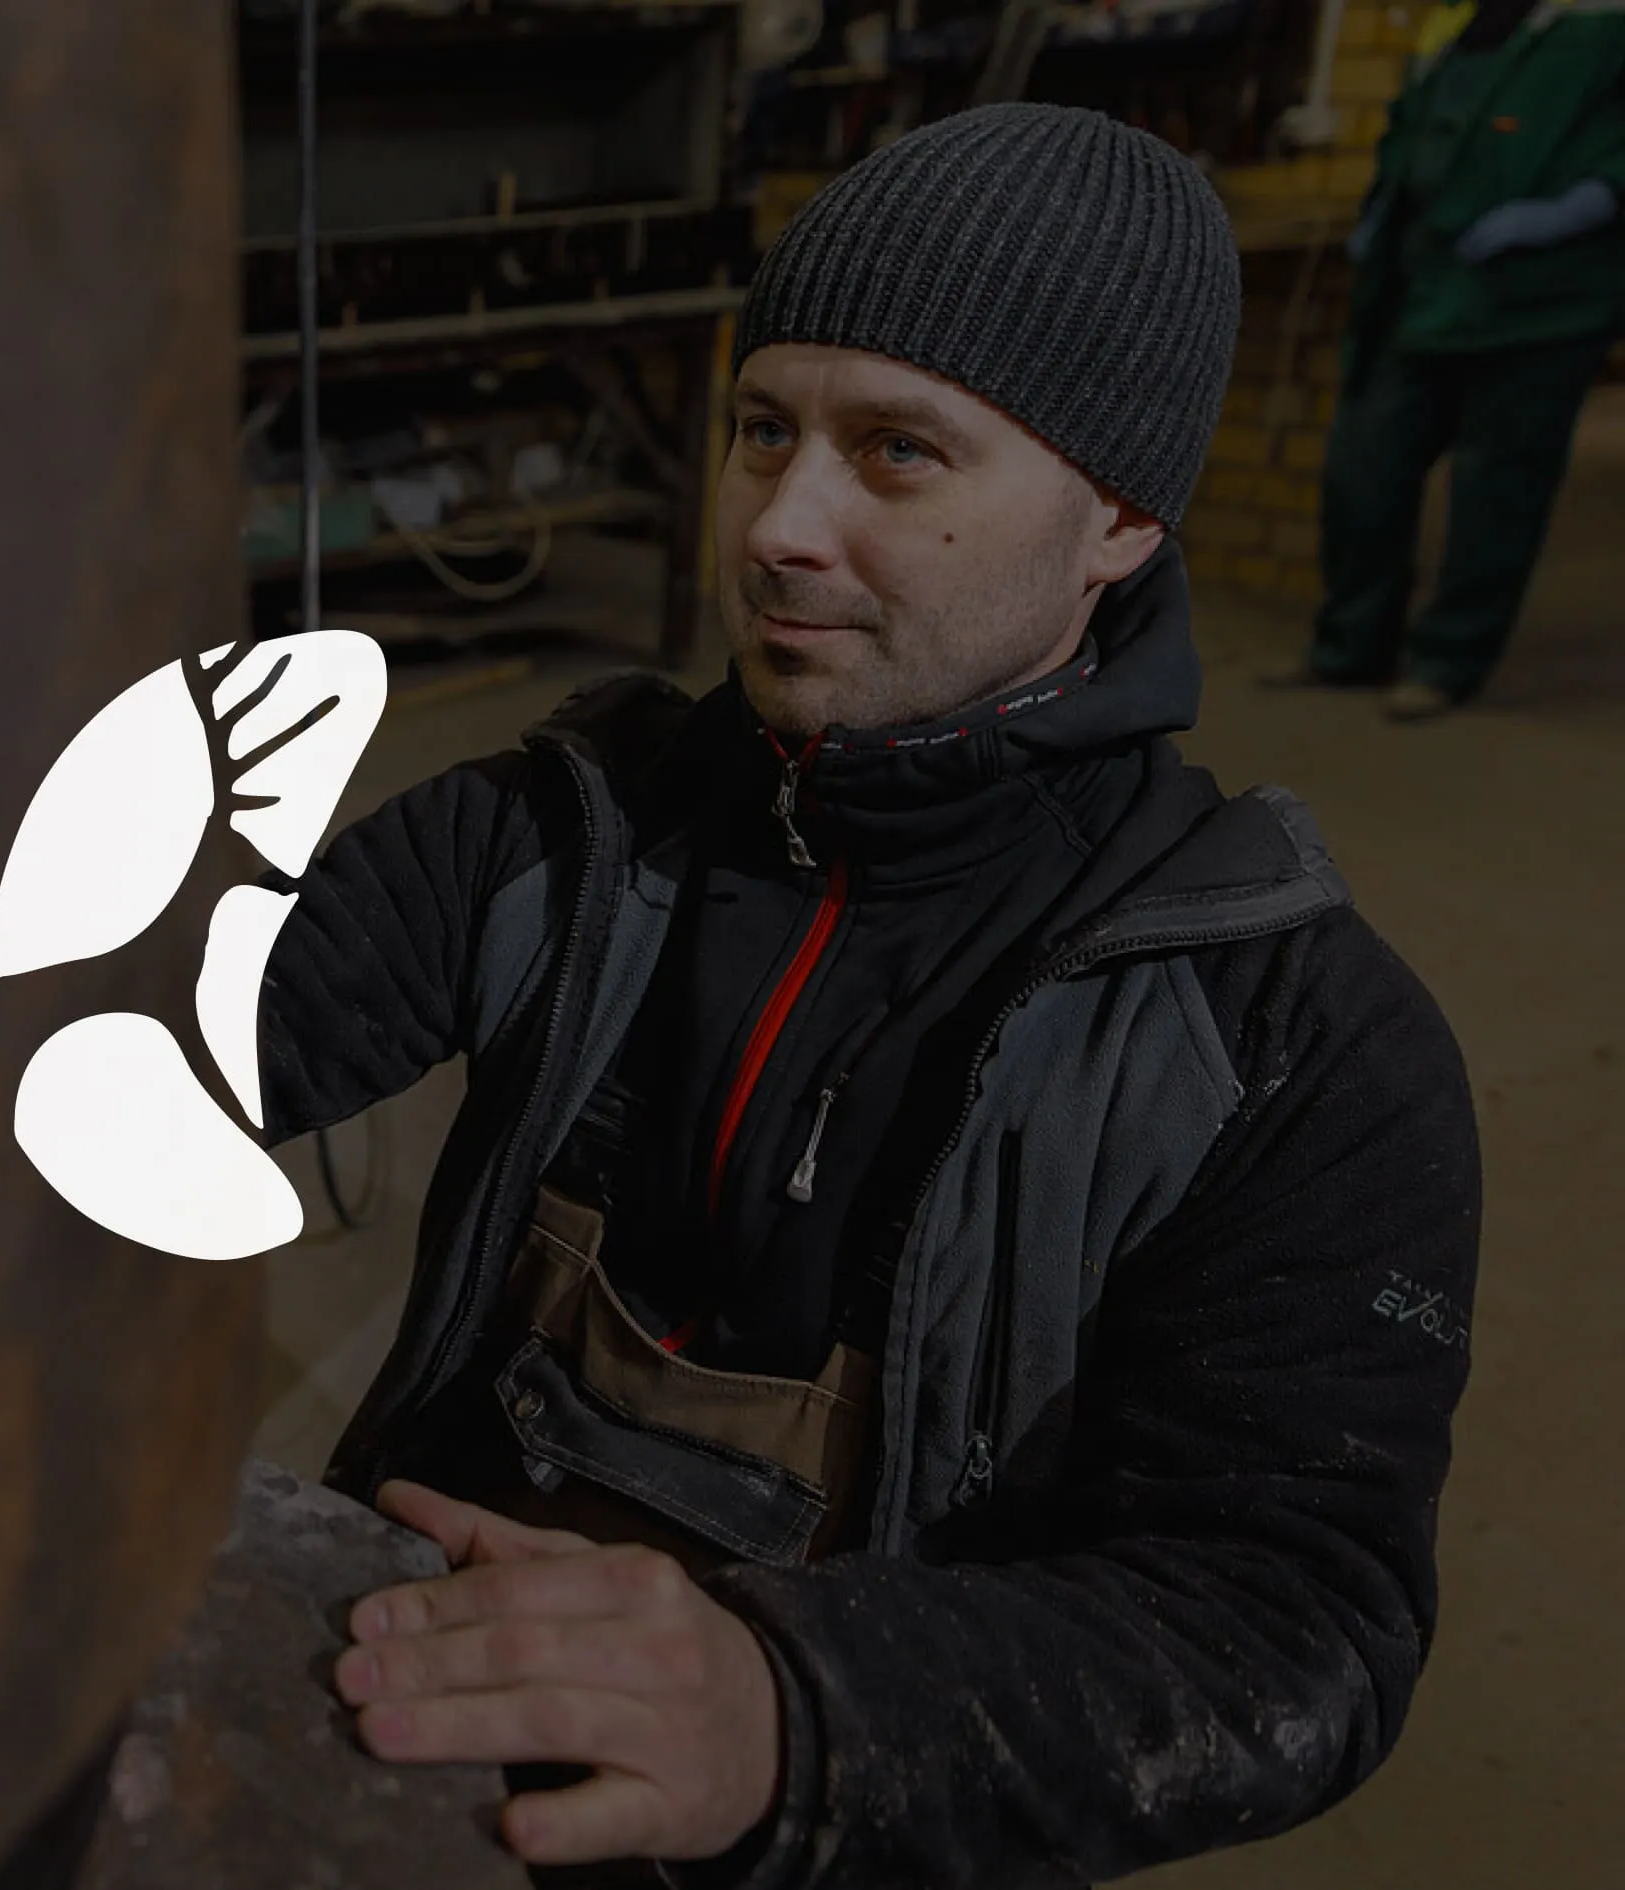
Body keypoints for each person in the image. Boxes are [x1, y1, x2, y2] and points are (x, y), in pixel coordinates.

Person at [254, 104, 1481, 1888]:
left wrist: (796, 1708)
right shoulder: (557, 835)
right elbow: (163, 1058)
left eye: (898, 452)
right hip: (411, 1724)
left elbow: (1290, 1628)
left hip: (851, 1824)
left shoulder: (1289, 1050)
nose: (777, 527)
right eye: (765, 428)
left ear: (1121, 515)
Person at [1285, 0, 1625, 720]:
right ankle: (1351, 646)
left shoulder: (1602, 23)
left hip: (1540, 302)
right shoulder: (1452, 22)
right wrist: (1383, 212)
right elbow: (1411, 127)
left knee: (1497, 489)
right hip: (1423, 287)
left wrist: (1583, 204)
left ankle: (1447, 661)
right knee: (1366, 470)